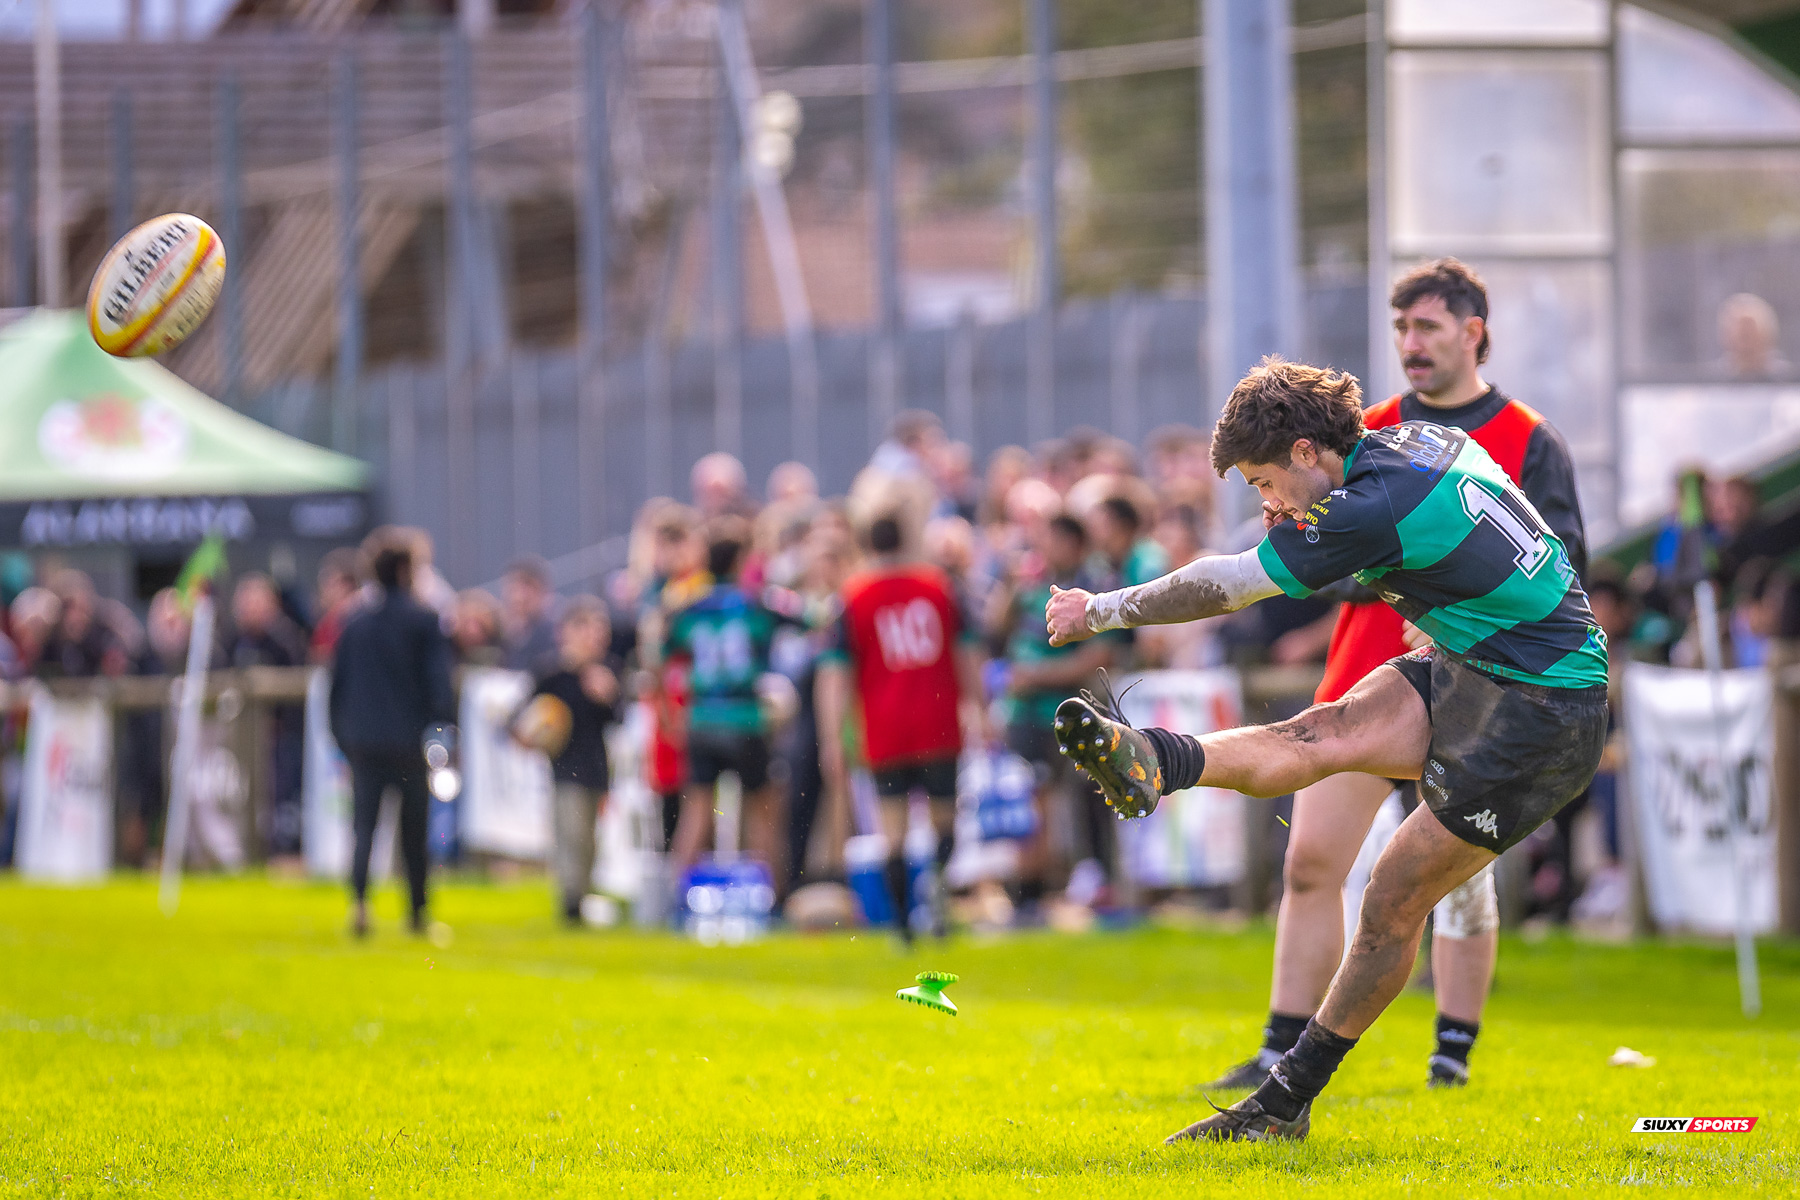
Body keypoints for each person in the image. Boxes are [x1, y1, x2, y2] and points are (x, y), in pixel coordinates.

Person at [1045, 357, 1607, 1142]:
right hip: (1481, 661)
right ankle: (1154, 759)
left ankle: (1286, 1101)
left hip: (1545, 710)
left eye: (1265, 482)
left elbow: (1229, 584)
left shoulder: (1365, 507)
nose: (1268, 504)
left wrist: (1100, 609)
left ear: (1308, 451)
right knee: (1315, 734)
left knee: (1390, 900)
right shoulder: (1411, 441)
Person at [1203, 256, 1591, 1093]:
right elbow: (1308, 550)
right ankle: (1277, 1047)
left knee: (1454, 889)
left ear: (1472, 333)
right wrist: (1390, 582)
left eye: (1427, 327)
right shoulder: (1369, 427)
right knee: (1311, 860)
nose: (1410, 343)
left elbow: (1565, 566)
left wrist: (1464, 600)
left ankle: (1450, 1056)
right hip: (1366, 674)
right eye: (1400, 328)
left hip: (1486, 687)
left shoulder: (1528, 437)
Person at [816, 511, 987, 941]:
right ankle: (936, 896)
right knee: (944, 822)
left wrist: (832, 737)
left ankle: (902, 925)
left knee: (893, 833)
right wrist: (980, 707)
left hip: (884, 729)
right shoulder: (939, 587)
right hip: (938, 723)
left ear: (867, 544)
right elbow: (967, 652)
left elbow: (836, 674)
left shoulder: (852, 596)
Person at [991, 511, 1122, 907]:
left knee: (1085, 795)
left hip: (1072, 712)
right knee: (1030, 798)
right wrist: (1010, 586)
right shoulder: (1030, 585)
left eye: (1050, 540)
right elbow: (995, 630)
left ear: (1072, 542)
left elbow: (1101, 655)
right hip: (1023, 714)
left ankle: (1090, 877)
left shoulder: (1096, 585)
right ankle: (1029, 887)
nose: (1042, 549)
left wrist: (1036, 676)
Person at [330, 535, 456, 937]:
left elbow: (337, 688)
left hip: (363, 744)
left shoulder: (354, 623)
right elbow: (439, 686)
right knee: (413, 832)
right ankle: (417, 913)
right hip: (409, 745)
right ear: (405, 570)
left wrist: (344, 740)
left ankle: (359, 906)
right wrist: (442, 731)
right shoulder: (424, 620)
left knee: (363, 828)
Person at [660, 518, 788, 881]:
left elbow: (661, 660)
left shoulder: (687, 608)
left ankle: (674, 897)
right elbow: (811, 619)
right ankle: (772, 896)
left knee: (697, 812)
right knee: (762, 810)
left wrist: (670, 714)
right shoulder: (757, 605)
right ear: (740, 560)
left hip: (701, 719)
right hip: (745, 719)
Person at [525, 597, 621, 926]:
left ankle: (582, 896)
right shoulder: (552, 673)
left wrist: (609, 696)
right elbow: (525, 716)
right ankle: (571, 903)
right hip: (565, 768)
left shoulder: (606, 673)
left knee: (590, 840)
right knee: (571, 834)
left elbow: (617, 719)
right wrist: (532, 735)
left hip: (596, 767)